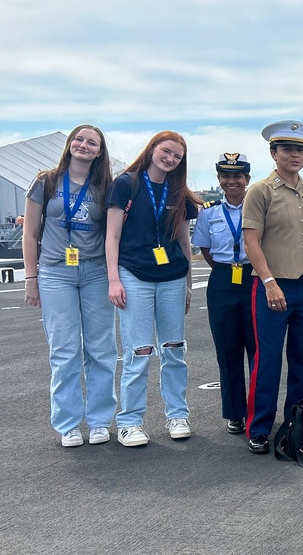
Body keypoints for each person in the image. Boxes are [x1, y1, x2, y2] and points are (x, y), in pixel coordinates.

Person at [242, 120, 303, 454]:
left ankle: (297, 419)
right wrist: (268, 282)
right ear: (274, 152)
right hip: (273, 286)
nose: (295, 155)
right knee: (267, 359)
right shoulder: (260, 191)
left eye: (300, 150)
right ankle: (258, 427)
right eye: (288, 149)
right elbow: (251, 241)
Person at [22, 125, 117, 447]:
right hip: (55, 273)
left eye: (92, 142)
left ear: (100, 151)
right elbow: (30, 233)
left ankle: (101, 420)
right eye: (79, 139)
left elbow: (112, 234)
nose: (84, 145)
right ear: (69, 144)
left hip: (94, 272)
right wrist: (31, 278)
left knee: (101, 349)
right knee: (64, 350)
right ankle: (68, 423)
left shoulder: (105, 186)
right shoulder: (46, 181)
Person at [106, 131, 200, 446]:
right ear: (153, 149)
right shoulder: (126, 184)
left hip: (172, 277)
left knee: (174, 349)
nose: (170, 158)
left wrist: (188, 283)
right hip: (134, 274)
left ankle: (177, 414)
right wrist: (114, 279)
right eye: (166, 151)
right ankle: (130, 422)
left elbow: (184, 240)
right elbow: (113, 236)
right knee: (139, 350)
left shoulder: (179, 193)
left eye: (177, 155)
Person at [192, 152, 255, 435]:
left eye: (237, 176)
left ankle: (257, 409)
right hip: (222, 280)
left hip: (253, 277)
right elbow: (204, 247)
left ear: (247, 179)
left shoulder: (258, 206)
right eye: (226, 176)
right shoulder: (208, 211)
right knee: (227, 350)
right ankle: (234, 413)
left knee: (257, 350)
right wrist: (225, 269)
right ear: (219, 179)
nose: (232, 181)